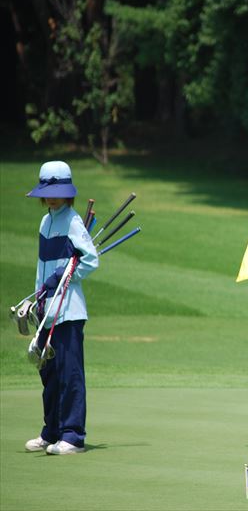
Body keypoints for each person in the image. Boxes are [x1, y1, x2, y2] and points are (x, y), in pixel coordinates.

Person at [24, 161, 99, 455]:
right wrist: (38, 298)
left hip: (69, 312)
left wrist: (66, 275)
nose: (52, 198)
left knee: (70, 375)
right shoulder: (45, 222)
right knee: (50, 375)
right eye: (48, 192)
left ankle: (73, 436)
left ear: (67, 194)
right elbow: (41, 269)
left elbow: (90, 259)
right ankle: (52, 432)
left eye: (58, 193)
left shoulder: (73, 221)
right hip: (47, 310)